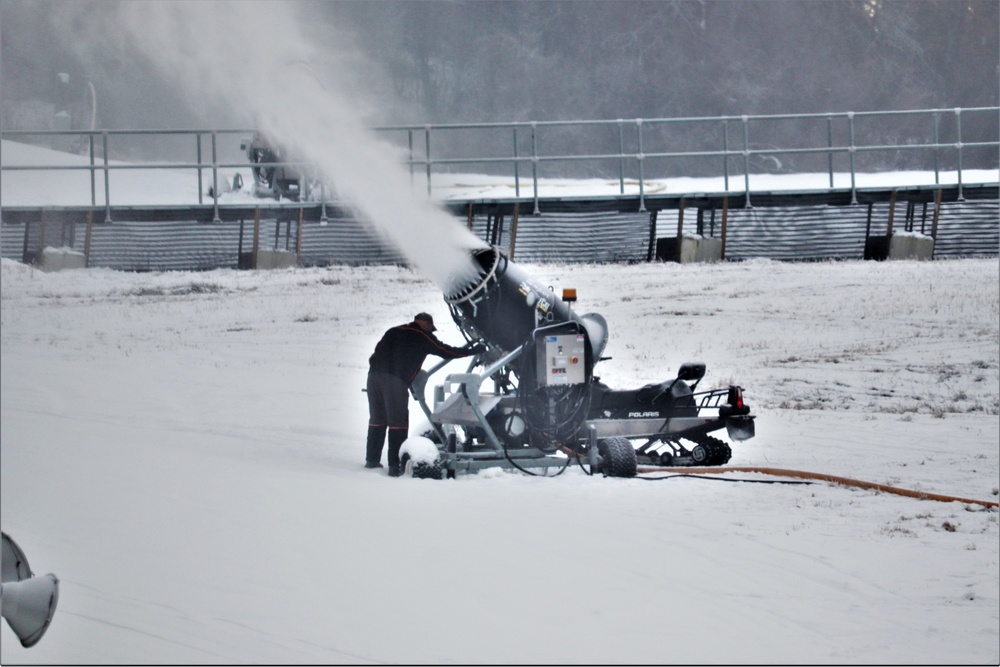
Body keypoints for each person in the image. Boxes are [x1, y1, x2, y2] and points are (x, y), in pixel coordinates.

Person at [366, 312, 484, 476]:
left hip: (373, 377)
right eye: (431, 329)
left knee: (377, 420)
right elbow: (445, 351)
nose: (431, 332)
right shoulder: (423, 336)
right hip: (394, 380)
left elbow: (375, 354)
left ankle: (371, 461)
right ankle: (395, 466)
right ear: (426, 324)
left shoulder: (393, 331)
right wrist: (472, 351)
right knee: (398, 423)